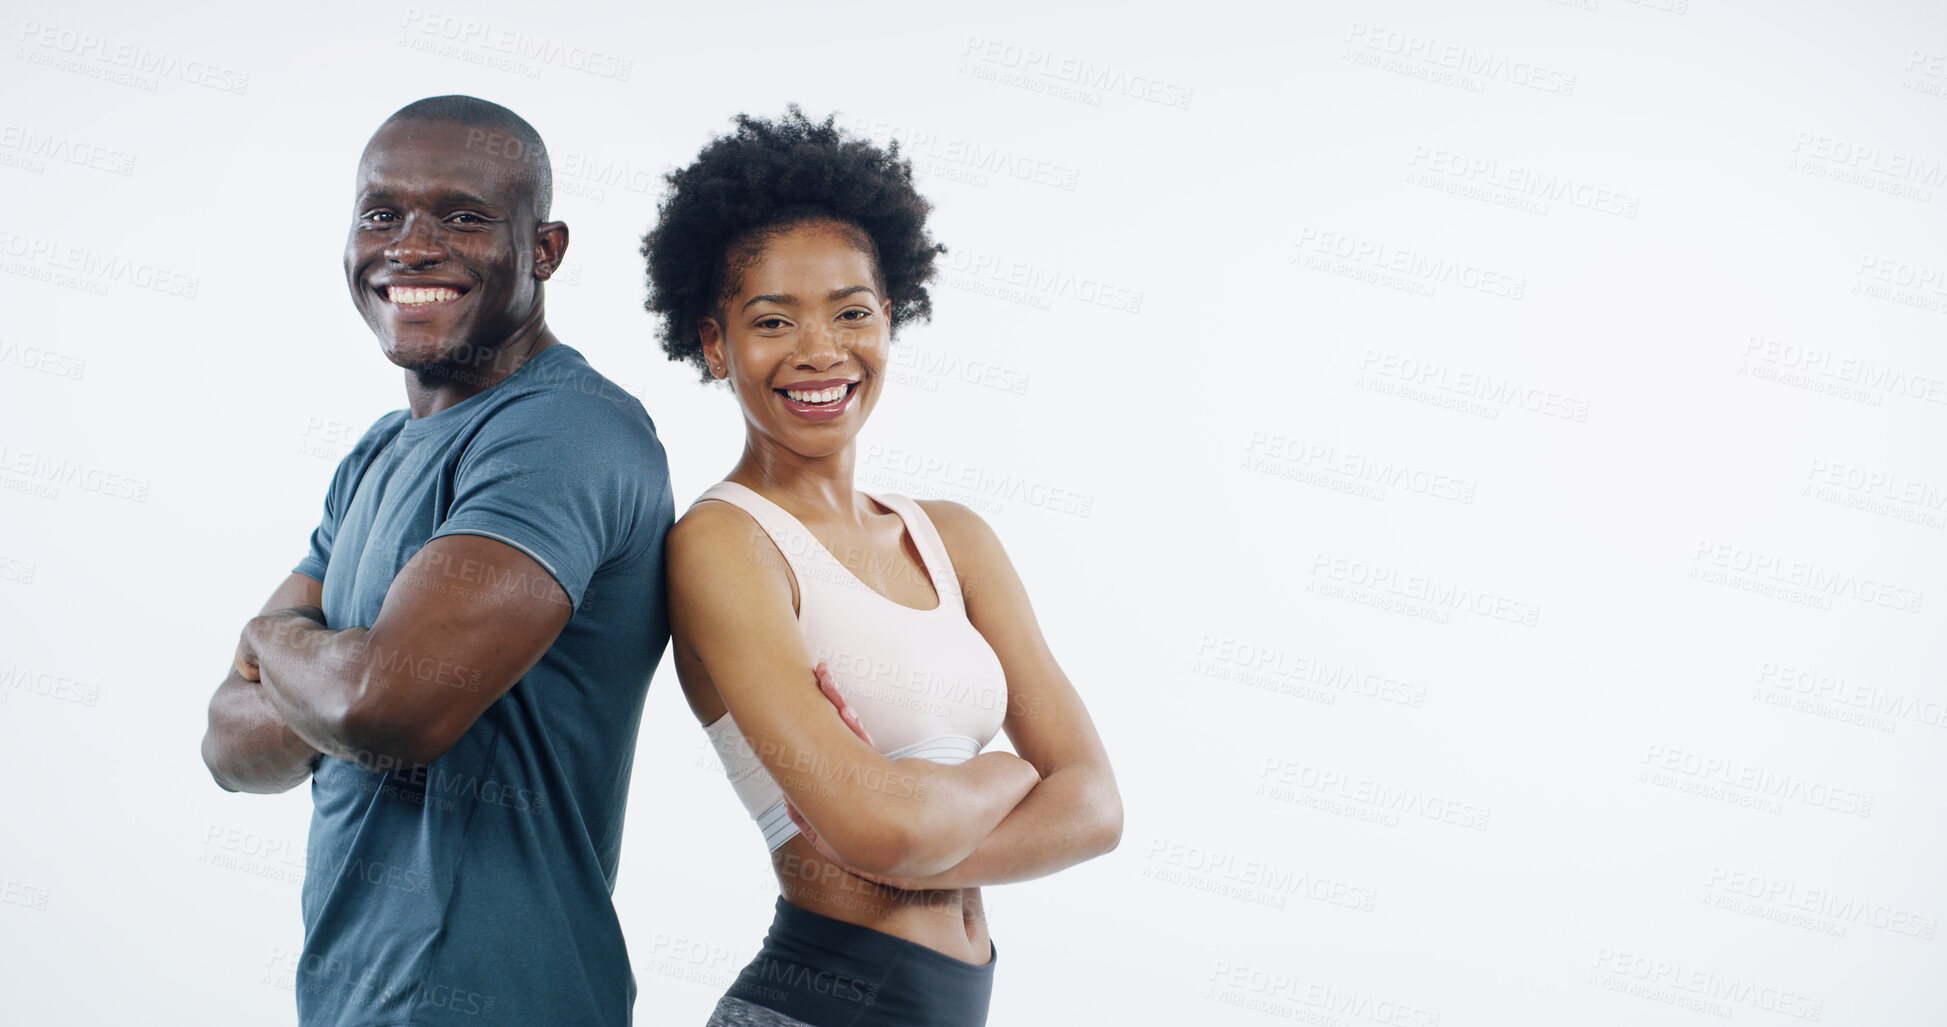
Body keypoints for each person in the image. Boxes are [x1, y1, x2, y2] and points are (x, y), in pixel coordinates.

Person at [200, 95, 675, 1026]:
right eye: (381, 214)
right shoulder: (377, 454)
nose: (409, 247)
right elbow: (226, 743)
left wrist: (273, 637)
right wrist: (340, 675)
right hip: (348, 999)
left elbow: (389, 707)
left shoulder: (563, 432)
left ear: (544, 249)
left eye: (462, 216)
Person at [644, 107, 1122, 1027]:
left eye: (850, 312)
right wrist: (1009, 777)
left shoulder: (953, 536)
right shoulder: (724, 545)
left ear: (889, 317)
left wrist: (915, 836)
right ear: (715, 345)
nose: (820, 351)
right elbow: (879, 828)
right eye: (773, 320)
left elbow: (1097, 806)